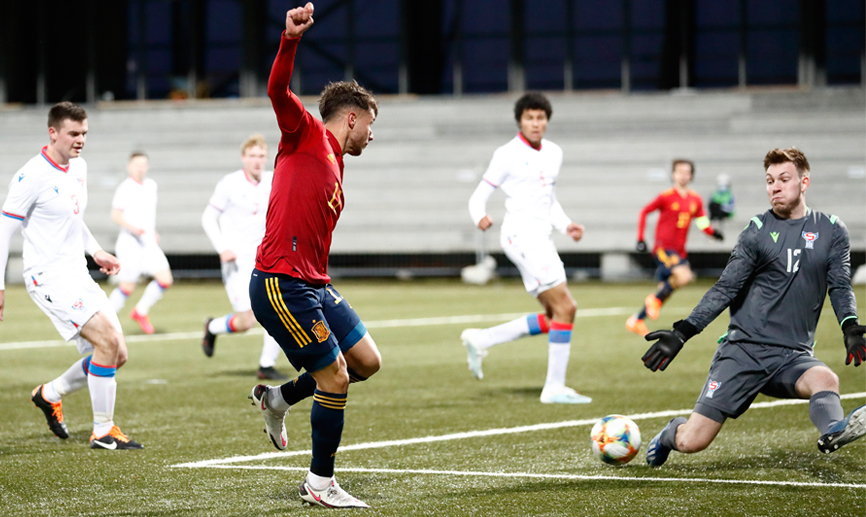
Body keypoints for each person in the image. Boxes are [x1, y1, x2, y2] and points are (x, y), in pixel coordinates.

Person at [640, 147, 866, 467]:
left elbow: (840, 285)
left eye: (784, 179)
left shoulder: (831, 229)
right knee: (692, 442)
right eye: (770, 180)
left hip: (792, 356)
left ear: (804, 182)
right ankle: (670, 433)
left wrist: (850, 326)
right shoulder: (757, 230)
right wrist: (682, 333)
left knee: (826, 379)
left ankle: (834, 430)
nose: (775, 187)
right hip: (743, 353)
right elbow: (726, 287)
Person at [246, 3, 381, 508]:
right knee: (336, 376)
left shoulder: (336, 163)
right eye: (370, 125)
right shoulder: (305, 132)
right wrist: (289, 40)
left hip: (314, 284)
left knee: (365, 362)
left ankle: (278, 398)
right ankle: (319, 483)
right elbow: (277, 90)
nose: (372, 135)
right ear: (352, 118)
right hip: (280, 283)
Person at [0, 101, 142, 449]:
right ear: (53, 133)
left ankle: (50, 394)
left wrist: (96, 251)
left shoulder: (79, 167)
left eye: (84, 133)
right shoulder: (31, 176)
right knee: (106, 342)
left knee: (117, 353)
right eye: (74, 133)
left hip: (77, 272)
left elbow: (73, 219)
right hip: (47, 278)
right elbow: (4, 232)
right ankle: (103, 431)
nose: (80, 140)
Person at [461, 92, 591, 405]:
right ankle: (554, 388)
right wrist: (479, 216)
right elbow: (478, 196)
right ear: (520, 121)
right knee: (567, 308)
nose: (535, 123)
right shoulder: (507, 154)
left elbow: (549, 198)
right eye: (529, 118)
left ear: (547, 121)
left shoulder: (554, 152)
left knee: (554, 314)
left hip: (541, 238)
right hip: (522, 238)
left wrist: (566, 225)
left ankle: (481, 339)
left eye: (540, 118)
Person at [200, 134, 287, 381]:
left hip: (265, 259)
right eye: (252, 156)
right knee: (245, 322)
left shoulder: (273, 180)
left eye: (261, 156)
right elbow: (208, 217)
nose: (257, 160)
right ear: (243, 158)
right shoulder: (230, 183)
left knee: (276, 310)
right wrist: (222, 248)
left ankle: (266, 366)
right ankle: (212, 327)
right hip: (236, 262)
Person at [626, 159, 724, 337]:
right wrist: (640, 239)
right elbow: (644, 211)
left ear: (691, 175)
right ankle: (653, 301)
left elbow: (702, 221)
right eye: (679, 172)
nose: (683, 175)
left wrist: (713, 233)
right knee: (684, 276)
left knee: (668, 288)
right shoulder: (666, 196)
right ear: (673, 175)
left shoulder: (695, 199)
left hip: (679, 252)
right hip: (663, 248)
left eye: (687, 172)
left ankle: (636, 320)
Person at [107, 152, 173, 334]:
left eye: (143, 164)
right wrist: (133, 228)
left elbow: (147, 214)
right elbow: (116, 214)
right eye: (137, 164)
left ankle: (140, 311)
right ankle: (105, 320)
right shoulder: (125, 188)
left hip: (148, 243)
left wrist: (153, 231)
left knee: (165, 279)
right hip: (130, 244)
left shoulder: (151, 185)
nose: (140, 168)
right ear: (129, 167)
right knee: (127, 286)